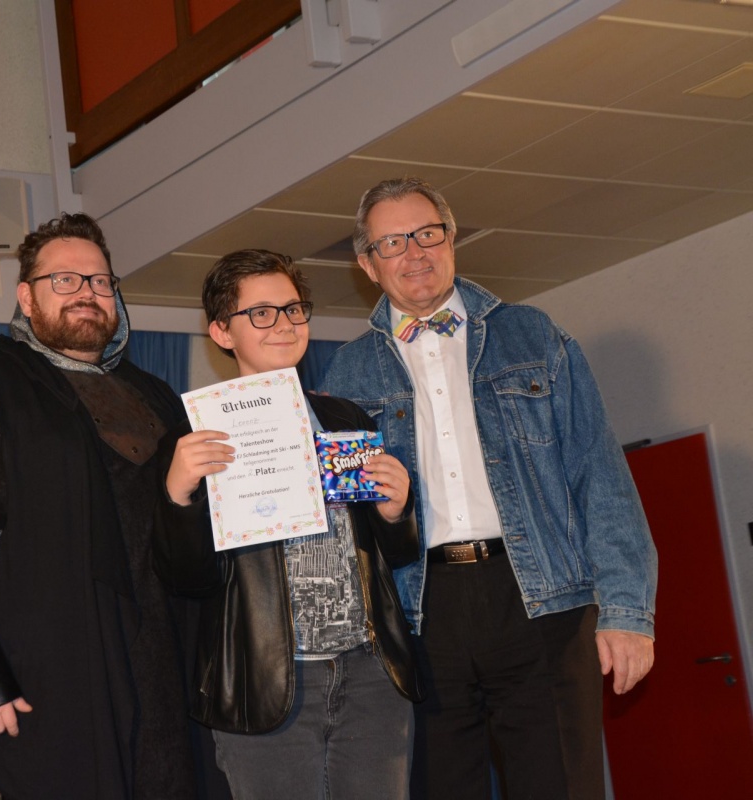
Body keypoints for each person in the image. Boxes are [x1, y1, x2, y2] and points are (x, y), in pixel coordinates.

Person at [321, 177, 657, 800]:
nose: (414, 253)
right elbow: (347, 526)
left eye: (427, 233)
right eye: (392, 242)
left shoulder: (533, 335)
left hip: (543, 602)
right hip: (420, 612)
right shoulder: (347, 371)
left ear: (451, 239)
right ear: (367, 264)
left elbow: (599, 474)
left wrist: (626, 611)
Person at [0, 213, 204, 799]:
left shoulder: (157, 397)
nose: (86, 293)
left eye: (99, 281)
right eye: (64, 280)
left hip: (161, 674)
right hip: (47, 676)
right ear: (27, 297)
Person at [154, 249, 422, 799]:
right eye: (262, 313)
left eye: (294, 309)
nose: (284, 324)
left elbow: (390, 555)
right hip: (267, 681)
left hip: (370, 675)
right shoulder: (190, 440)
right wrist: (178, 497)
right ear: (221, 332)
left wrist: (397, 512)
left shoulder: (346, 418)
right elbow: (186, 579)